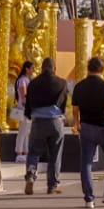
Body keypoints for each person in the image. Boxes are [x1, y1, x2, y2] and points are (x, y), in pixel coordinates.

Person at [72, 57, 104, 209]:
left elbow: (75, 109)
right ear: (102, 69)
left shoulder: (79, 86)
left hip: (86, 128)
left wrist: (77, 123)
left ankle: (89, 199)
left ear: (88, 69)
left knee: (86, 163)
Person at [23, 57, 69, 196]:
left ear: (42, 68)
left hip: (38, 121)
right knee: (55, 154)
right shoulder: (62, 83)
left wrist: (30, 115)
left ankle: (31, 175)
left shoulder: (33, 83)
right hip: (55, 121)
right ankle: (52, 185)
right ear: (54, 69)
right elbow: (63, 103)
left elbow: (28, 103)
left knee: (33, 151)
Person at [11, 60, 34, 163]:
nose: (33, 70)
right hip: (24, 109)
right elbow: (23, 95)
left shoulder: (25, 79)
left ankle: (25, 152)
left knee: (26, 132)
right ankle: (19, 152)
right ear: (27, 69)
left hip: (26, 109)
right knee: (22, 132)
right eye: (32, 68)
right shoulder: (23, 80)